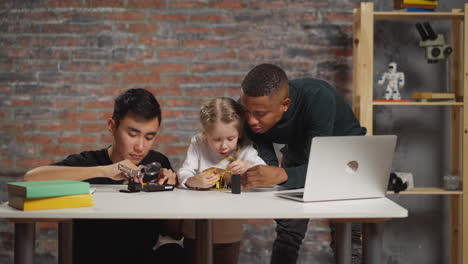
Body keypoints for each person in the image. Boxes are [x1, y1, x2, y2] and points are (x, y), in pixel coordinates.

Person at [24, 88, 183, 264]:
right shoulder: (88, 162)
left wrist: (174, 190)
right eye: (132, 134)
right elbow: (32, 178)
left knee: (175, 252)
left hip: (141, 257)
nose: (140, 146)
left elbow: (174, 233)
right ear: (112, 127)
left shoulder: (158, 163)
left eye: (149, 137)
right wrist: (104, 170)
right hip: (92, 258)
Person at [239, 64, 367, 264]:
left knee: (347, 233)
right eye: (246, 110)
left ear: (285, 104)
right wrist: (272, 172)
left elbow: (319, 164)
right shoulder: (251, 108)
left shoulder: (318, 97)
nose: (250, 120)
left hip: (344, 154)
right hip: (299, 149)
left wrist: (282, 175)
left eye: (260, 114)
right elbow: (266, 156)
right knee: (288, 231)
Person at [178, 97, 266, 264]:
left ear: (239, 133)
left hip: (229, 229)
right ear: (205, 134)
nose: (224, 146)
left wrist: (248, 166)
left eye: (230, 139)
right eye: (217, 140)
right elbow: (184, 172)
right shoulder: (198, 142)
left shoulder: (246, 146)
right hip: (195, 228)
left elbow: (263, 170)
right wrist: (193, 181)